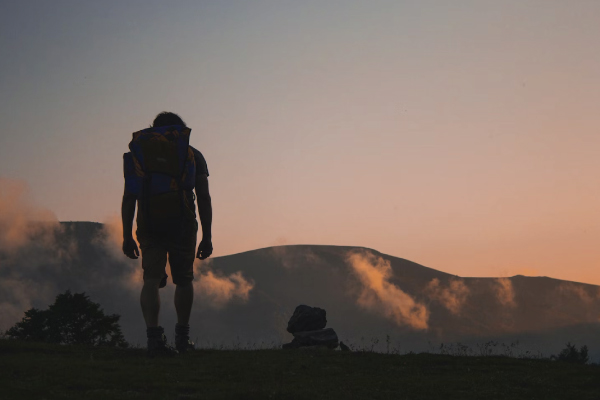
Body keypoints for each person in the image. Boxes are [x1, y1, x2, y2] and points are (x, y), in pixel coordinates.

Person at [121, 112, 213, 356]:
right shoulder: (192, 154)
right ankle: (182, 339)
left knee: (150, 280)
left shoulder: (140, 154)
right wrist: (207, 235)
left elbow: (129, 196)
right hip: (182, 222)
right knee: (183, 280)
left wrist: (126, 234)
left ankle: (154, 340)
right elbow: (203, 197)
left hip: (148, 222)